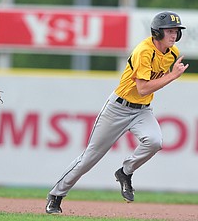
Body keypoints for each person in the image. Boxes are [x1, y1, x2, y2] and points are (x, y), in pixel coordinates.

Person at [45, 11, 189, 214]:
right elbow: (143, 88)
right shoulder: (144, 51)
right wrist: (172, 76)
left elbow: (150, 88)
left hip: (143, 110)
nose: (173, 36)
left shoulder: (172, 54)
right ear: (157, 32)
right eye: (169, 31)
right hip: (118, 108)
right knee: (90, 157)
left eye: (176, 31)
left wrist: (169, 75)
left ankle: (125, 172)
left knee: (155, 141)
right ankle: (56, 196)